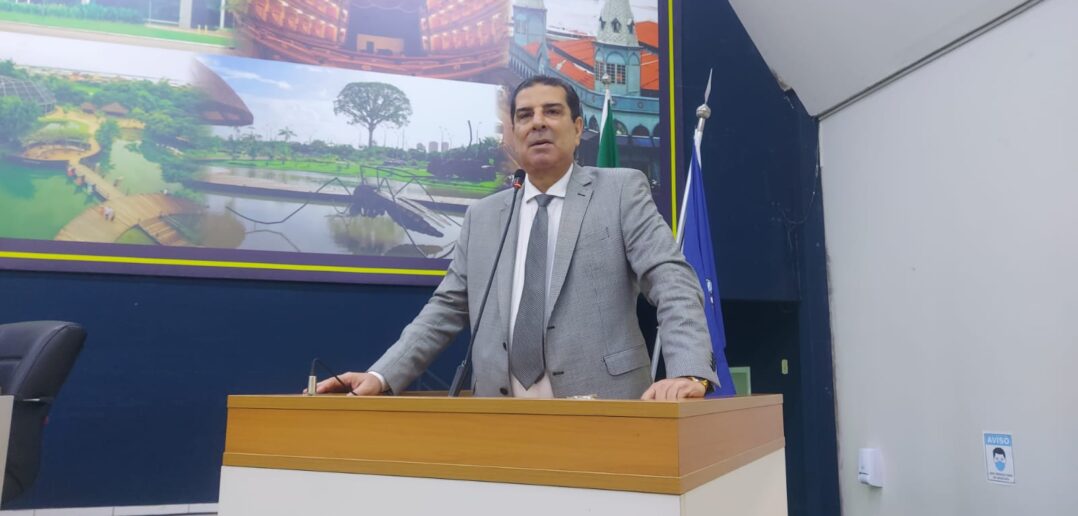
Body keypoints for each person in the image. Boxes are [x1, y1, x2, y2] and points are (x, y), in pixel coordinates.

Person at [317, 76, 718, 401]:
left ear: (578, 129)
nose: (538, 123)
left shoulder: (621, 191)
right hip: (500, 423)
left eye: (552, 111)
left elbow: (672, 279)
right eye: (525, 115)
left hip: (606, 412)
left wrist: (689, 370)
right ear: (513, 134)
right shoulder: (482, 217)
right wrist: (381, 375)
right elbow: (445, 309)